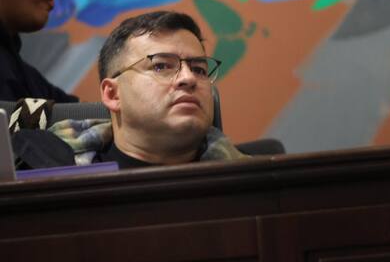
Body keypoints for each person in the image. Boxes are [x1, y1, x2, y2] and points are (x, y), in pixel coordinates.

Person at [12, 11, 248, 168]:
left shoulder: (253, 182)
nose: (188, 78)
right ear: (112, 94)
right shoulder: (40, 168)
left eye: (199, 69)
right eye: (161, 66)